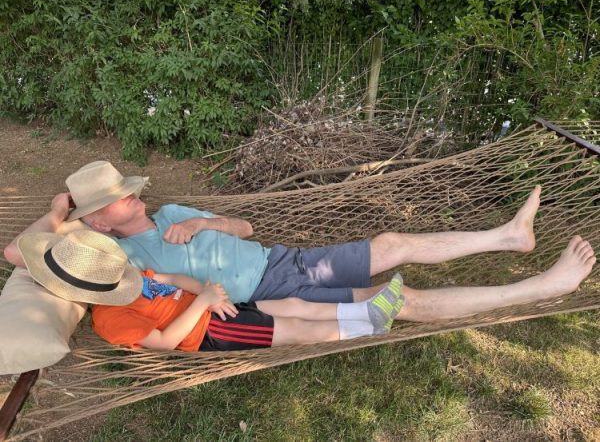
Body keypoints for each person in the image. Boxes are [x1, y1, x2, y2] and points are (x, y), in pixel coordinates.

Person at [3, 161, 596, 322]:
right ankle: (542, 286)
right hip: (270, 292)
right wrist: (59, 211)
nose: (134, 197)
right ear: (101, 221)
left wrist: (205, 224)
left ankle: (508, 235)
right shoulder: (115, 254)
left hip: (286, 260)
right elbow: (17, 255)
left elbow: (248, 229)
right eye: (120, 199)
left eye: (129, 190)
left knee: (389, 242)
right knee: (400, 301)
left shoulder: (175, 211)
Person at [15, 230, 405, 351]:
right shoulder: (111, 319)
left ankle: (370, 308)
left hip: (215, 310)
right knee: (297, 327)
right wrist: (202, 304)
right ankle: (367, 326)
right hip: (210, 332)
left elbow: (172, 280)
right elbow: (166, 340)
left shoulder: (129, 276)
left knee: (293, 302)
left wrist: (207, 292)